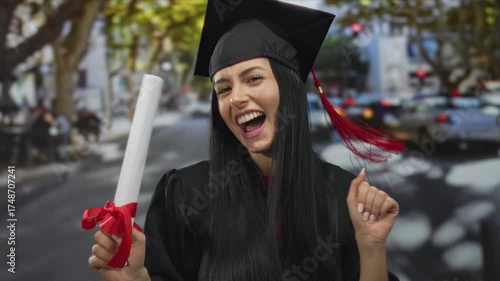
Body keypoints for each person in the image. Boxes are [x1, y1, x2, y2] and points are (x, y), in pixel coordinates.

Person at [88, 1, 406, 280]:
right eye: (223, 88)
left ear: (290, 90)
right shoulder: (187, 196)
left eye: (253, 78)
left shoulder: (341, 196)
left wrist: (372, 245)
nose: (236, 97)